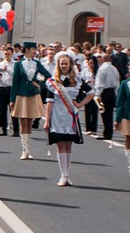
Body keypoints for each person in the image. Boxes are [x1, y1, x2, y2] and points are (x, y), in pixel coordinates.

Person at [46, 51, 93, 187]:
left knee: (69, 145)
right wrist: (47, 120)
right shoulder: (53, 82)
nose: (64, 66)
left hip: (70, 115)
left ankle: (67, 175)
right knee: (60, 144)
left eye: (66, 63)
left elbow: (91, 93)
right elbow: (49, 102)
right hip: (57, 115)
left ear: (71, 64)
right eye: (62, 64)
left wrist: (79, 104)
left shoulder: (77, 80)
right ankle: (63, 175)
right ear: (58, 65)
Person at [11, 40, 52, 160]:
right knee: (23, 121)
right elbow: (15, 83)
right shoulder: (18, 64)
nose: (35, 51)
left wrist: (40, 84)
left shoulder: (37, 63)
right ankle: (25, 150)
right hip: (21, 94)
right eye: (33, 49)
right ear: (27, 50)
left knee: (30, 121)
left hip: (33, 94)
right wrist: (12, 99)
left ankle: (29, 149)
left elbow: (48, 75)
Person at [94, 51, 120, 140]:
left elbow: (99, 83)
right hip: (112, 92)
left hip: (104, 92)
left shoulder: (102, 69)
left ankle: (106, 134)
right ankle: (109, 133)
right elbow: (117, 82)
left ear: (103, 59)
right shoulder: (114, 69)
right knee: (109, 113)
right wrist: (116, 93)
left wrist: (97, 94)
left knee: (104, 113)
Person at [0, 45, 14, 136]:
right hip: (1, 87)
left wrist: (7, 70)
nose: (7, 56)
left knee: (12, 109)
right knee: (2, 110)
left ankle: (16, 129)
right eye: (5, 54)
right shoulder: (0, 64)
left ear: (12, 54)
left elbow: (15, 75)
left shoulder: (15, 64)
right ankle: (4, 129)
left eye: (9, 54)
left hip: (10, 87)